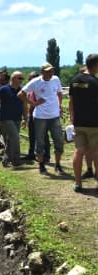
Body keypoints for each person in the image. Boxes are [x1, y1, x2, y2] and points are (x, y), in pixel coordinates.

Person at [19, 62, 65, 175]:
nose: (51, 73)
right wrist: (33, 103)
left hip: (54, 116)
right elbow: (20, 94)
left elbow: (59, 93)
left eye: (51, 70)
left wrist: (59, 107)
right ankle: (41, 165)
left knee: (59, 141)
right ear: (42, 72)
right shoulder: (35, 82)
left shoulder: (56, 79)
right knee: (40, 142)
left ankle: (58, 165)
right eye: (48, 71)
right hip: (40, 117)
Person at [69, 53, 98, 192]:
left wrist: (72, 118)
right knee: (96, 152)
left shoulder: (74, 80)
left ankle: (78, 183)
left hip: (78, 123)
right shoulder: (95, 82)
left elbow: (71, 102)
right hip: (94, 123)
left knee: (79, 151)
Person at [0, 71, 27, 168]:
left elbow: (25, 105)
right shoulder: (3, 89)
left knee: (11, 140)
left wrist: (25, 118)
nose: (21, 80)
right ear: (13, 79)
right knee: (15, 137)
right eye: (19, 78)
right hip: (6, 118)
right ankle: (16, 160)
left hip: (17, 118)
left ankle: (6, 159)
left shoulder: (22, 91)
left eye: (22, 78)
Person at [24, 71, 50, 161]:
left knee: (43, 136)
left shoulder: (41, 89)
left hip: (41, 116)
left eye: (30, 79)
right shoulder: (30, 91)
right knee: (32, 136)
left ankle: (46, 155)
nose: (29, 82)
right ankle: (31, 154)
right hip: (32, 115)